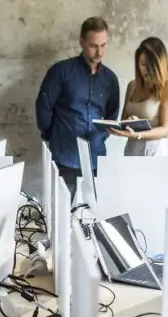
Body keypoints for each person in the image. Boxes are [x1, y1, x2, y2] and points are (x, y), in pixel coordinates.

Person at [36, 16, 121, 199]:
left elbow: (111, 116)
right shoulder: (61, 71)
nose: (99, 52)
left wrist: (101, 136)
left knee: (93, 212)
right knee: (62, 212)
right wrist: (54, 135)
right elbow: (43, 107)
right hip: (64, 155)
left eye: (103, 45)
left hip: (96, 158)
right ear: (82, 42)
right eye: (93, 46)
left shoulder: (111, 80)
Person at [110, 37, 168, 157]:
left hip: (153, 151)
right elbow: (123, 120)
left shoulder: (166, 87)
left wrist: (138, 134)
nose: (146, 70)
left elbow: (166, 130)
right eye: (143, 64)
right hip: (131, 149)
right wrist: (128, 122)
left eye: (151, 65)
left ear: (159, 64)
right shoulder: (132, 85)